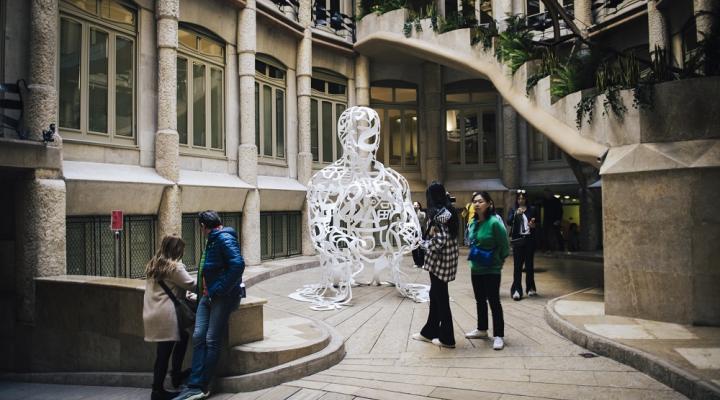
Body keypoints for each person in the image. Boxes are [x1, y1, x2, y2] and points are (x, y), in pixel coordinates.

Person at [173, 211, 245, 400]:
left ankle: (202, 385)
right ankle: (194, 383)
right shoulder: (214, 239)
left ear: (203, 227)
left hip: (220, 297)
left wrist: (218, 290)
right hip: (207, 296)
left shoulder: (223, 238)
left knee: (212, 339)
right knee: (198, 336)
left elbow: (238, 264)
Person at [143, 236, 196, 400]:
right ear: (177, 250)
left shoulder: (155, 263)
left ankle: (176, 375)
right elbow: (192, 284)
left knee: (182, 338)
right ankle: (157, 391)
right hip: (166, 313)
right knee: (164, 353)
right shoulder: (174, 267)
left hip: (153, 311)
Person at [411, 183, 460, 349]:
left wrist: (423, 244)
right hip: (447, 262)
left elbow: (440, 241)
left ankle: (447, 338)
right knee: (436, 295)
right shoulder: (449, 211)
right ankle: (429, 331)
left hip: (440, 263)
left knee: (441, 299)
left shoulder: (439, 214)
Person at [465, 191, 509, 350]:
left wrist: (499, 261)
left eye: (480, 201)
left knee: (494, 301)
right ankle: (482, 329)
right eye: (474, 201)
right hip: (476, 268)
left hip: (491, 269)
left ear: (489, 203)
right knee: (480, 300)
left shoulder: (494, 222)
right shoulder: (474, 223)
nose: (477, 204)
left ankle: (499, 335)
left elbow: (505, 245)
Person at [507, 190, 537, 300]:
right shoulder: (513, 210)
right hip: (518, 240)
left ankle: (530, 288)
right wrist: (515, 214)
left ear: (526, 199)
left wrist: (533, 225)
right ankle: (516, 290)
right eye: (519, 198)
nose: (521, 200)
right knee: (517, 266)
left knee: (529, 266)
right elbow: (509, 222)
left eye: (523, 198)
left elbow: (537, 223)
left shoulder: (532, 209)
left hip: (529, 240)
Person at [411, 201, 427, 268]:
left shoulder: (422, 213)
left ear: (419, 206)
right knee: (414, 247)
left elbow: (422, 221)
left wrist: (417, 213)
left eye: (416, 205)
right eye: (414, 205)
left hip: (421, 231)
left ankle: (422, 262)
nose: (415, 206)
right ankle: (416, 262)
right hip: (413, 231)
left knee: (421, 247)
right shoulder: (411, 214)